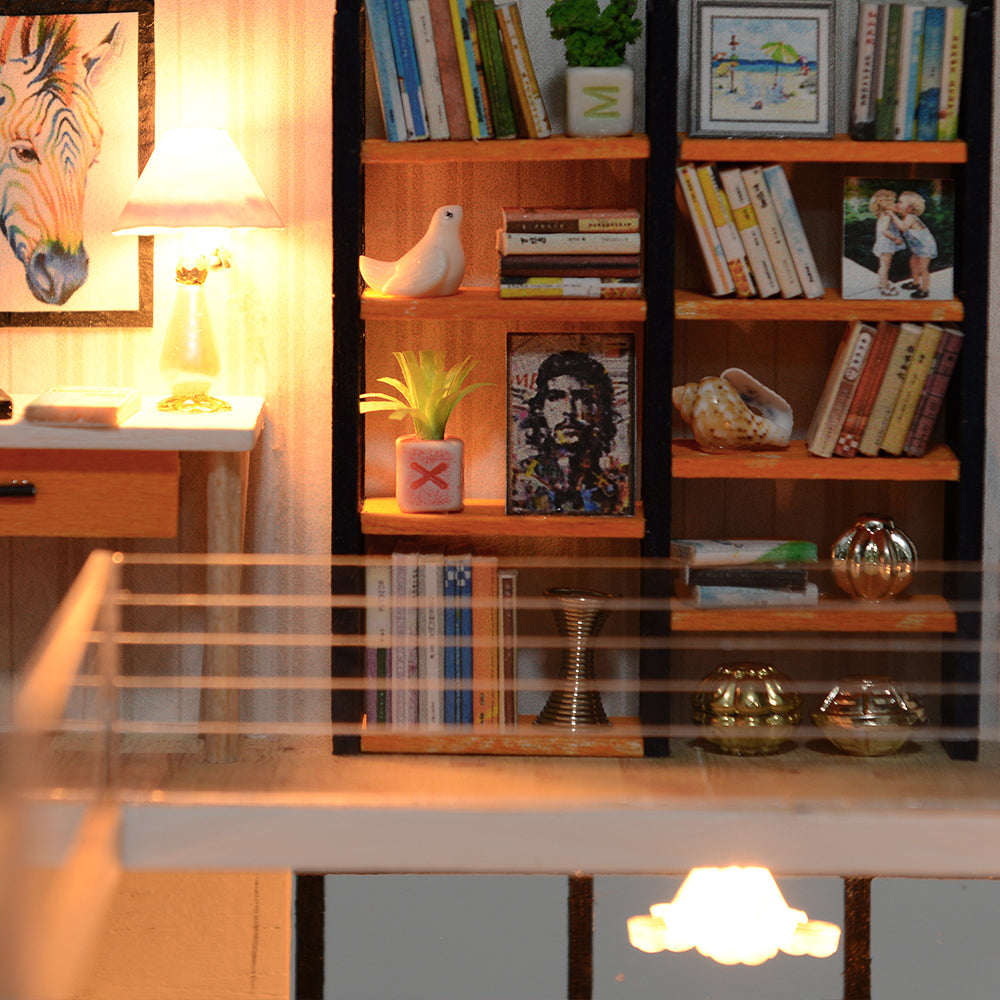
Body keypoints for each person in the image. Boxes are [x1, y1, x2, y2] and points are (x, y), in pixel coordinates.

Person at [509, 350, 631, 515]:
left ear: (602, 411)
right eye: (555, 397)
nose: (569, 410)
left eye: (583, 398)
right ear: (541, 410)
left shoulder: (615, 491)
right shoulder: (523, 483)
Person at [894, 189, 938, 298]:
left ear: (909, 208)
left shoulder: (911, 218)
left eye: (900, 202)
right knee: (913, 262)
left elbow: (903, 227)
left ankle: (925, 290)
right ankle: (915, 282)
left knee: (923, 268)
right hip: (917, 247)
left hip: (926, 247)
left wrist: (892, 215)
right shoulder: (905, 217)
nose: (897, 204)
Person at [869, 188, 904, 296]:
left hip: (884, 243)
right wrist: (895, 238)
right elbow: (884, 230)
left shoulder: (884, 214)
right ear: (887, 204)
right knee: (885, 266)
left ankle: (883, 283)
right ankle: (884, 287)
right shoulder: (888, 215)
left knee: (884, 265)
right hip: (886, 244)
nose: (895, 204)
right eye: (893, 202)